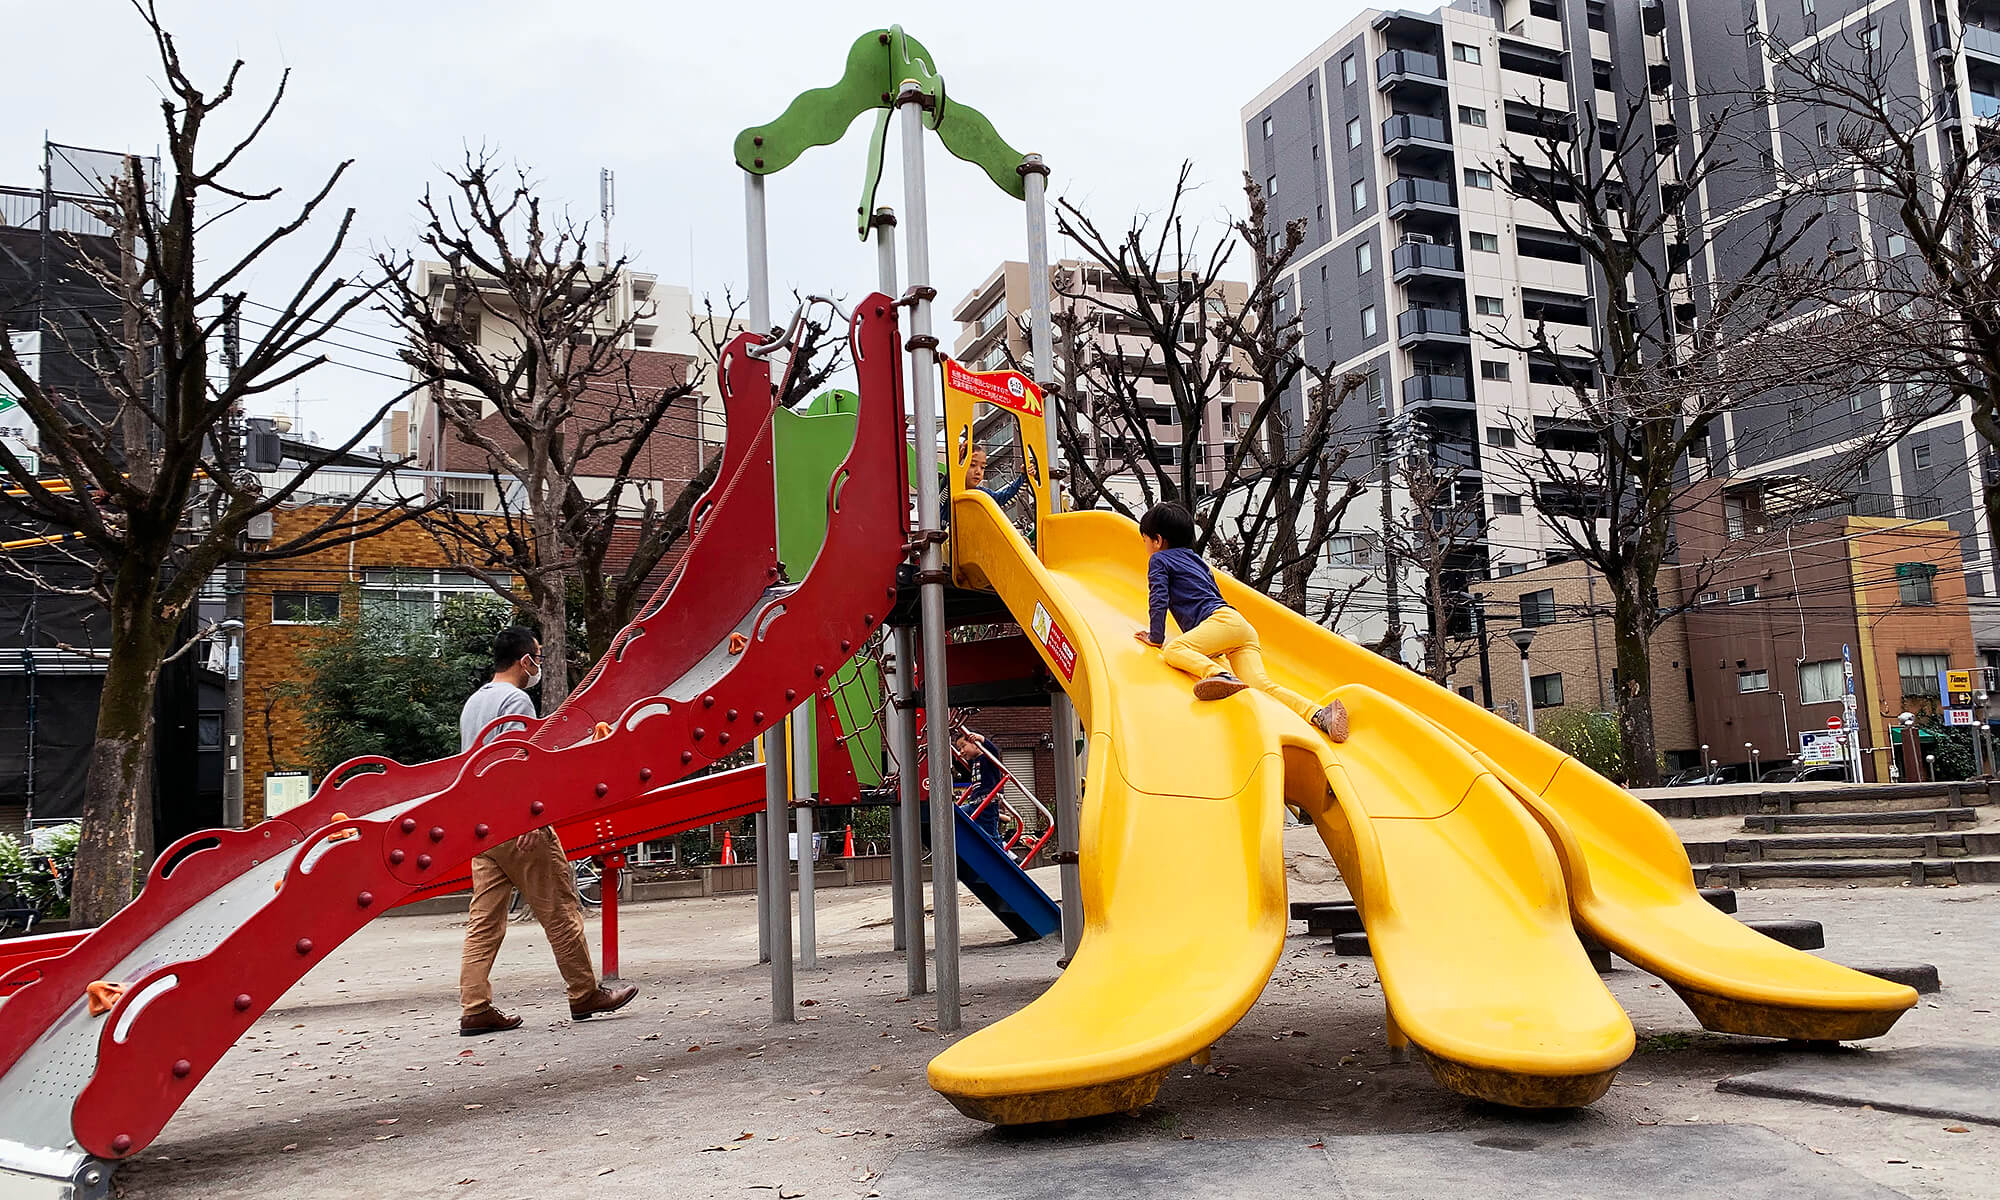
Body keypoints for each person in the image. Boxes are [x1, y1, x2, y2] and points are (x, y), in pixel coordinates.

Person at [457, 626, 637, 1035]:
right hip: (517, 823)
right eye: (537, 656)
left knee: (484, 920)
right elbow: (519, 761)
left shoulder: (474, 703)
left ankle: (475, 1005)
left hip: (482, 827)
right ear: (526, 660)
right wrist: (528, 817)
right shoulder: (516, 699)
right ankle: (584, 992)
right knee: (559, 908)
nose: (538, 664)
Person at [1131, 502, 1348, 741]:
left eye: (1145, 541)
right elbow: (1211, 595)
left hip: (1219, 623)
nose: (1146, 547)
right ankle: (1319, 713)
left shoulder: (1159, 561)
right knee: (1260, 686)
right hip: (1237, 626)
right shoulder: (1197, 561)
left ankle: (1217, 674)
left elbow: (1158, 598)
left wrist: (1156, 637)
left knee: (1174, 649)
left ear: (1157, 540)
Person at [952, 727, 1006, 841]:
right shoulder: (974, 761)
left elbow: (994, 750)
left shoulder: (987, 758)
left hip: (988, 802)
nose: (961, 751)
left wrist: (981, 739)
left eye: (963, 746)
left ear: (975, 744)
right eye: (959, 748)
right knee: (955, 814)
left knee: (990, 835)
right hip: (975, 803)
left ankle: (1008, 857)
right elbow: (962, 767)